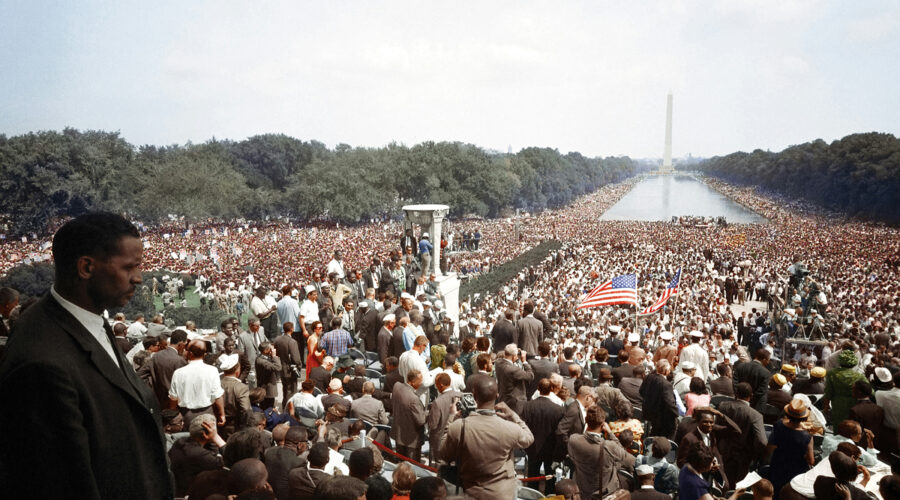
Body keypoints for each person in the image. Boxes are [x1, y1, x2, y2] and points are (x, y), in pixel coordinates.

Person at [0, 213, 175, 499]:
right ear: (86, 267)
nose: (139, 278)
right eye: (129, 267)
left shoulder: (87, 315)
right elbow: (60, 482)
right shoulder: (41, 362)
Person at [439, 376, 534, 498]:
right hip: (502, 494)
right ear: (497, 395)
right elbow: (529, 438)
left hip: (472, 494)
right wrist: (513, 415)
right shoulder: (509, 428)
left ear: (474, 396)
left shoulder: (459, 427)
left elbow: (442, 453)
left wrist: (452, 417)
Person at [568, 405, 635, 498]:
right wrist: (610, 433)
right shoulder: (610, 446)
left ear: (586, 420)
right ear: (602, 424)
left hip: (582, 490)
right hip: (604, 494)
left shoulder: (573, 439)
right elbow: (623, 455)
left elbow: (572, 457)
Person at [767, 399, 814, 500]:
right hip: (796, 471)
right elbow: (811, 460)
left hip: (777, 465)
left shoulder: (779, 425)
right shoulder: (807, 437)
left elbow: (770, 447)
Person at [823, 349, 868, 427]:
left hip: (837, 404)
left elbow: (828, 392)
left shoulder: (832, 373)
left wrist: (826, 406)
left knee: (838, 426)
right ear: (854, 362)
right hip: (853, 405)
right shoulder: (858, 376)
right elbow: (869, 390)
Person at [391, 369, 427, 462]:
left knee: (401, 464)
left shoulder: (396, 386)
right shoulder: (414, 399)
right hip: (412, 440)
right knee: (412, 468)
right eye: (420, 380)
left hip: (398, 434)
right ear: (412, 382)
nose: (421, 383)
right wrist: (428, 413)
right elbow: (421, 420)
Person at [640, 359, 678, 438]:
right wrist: (676, 414)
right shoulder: (666, 384)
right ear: (666, 371)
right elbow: (670, 403)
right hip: (661, 418)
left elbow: (641, 391)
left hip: (649, 413)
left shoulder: (648, 377)